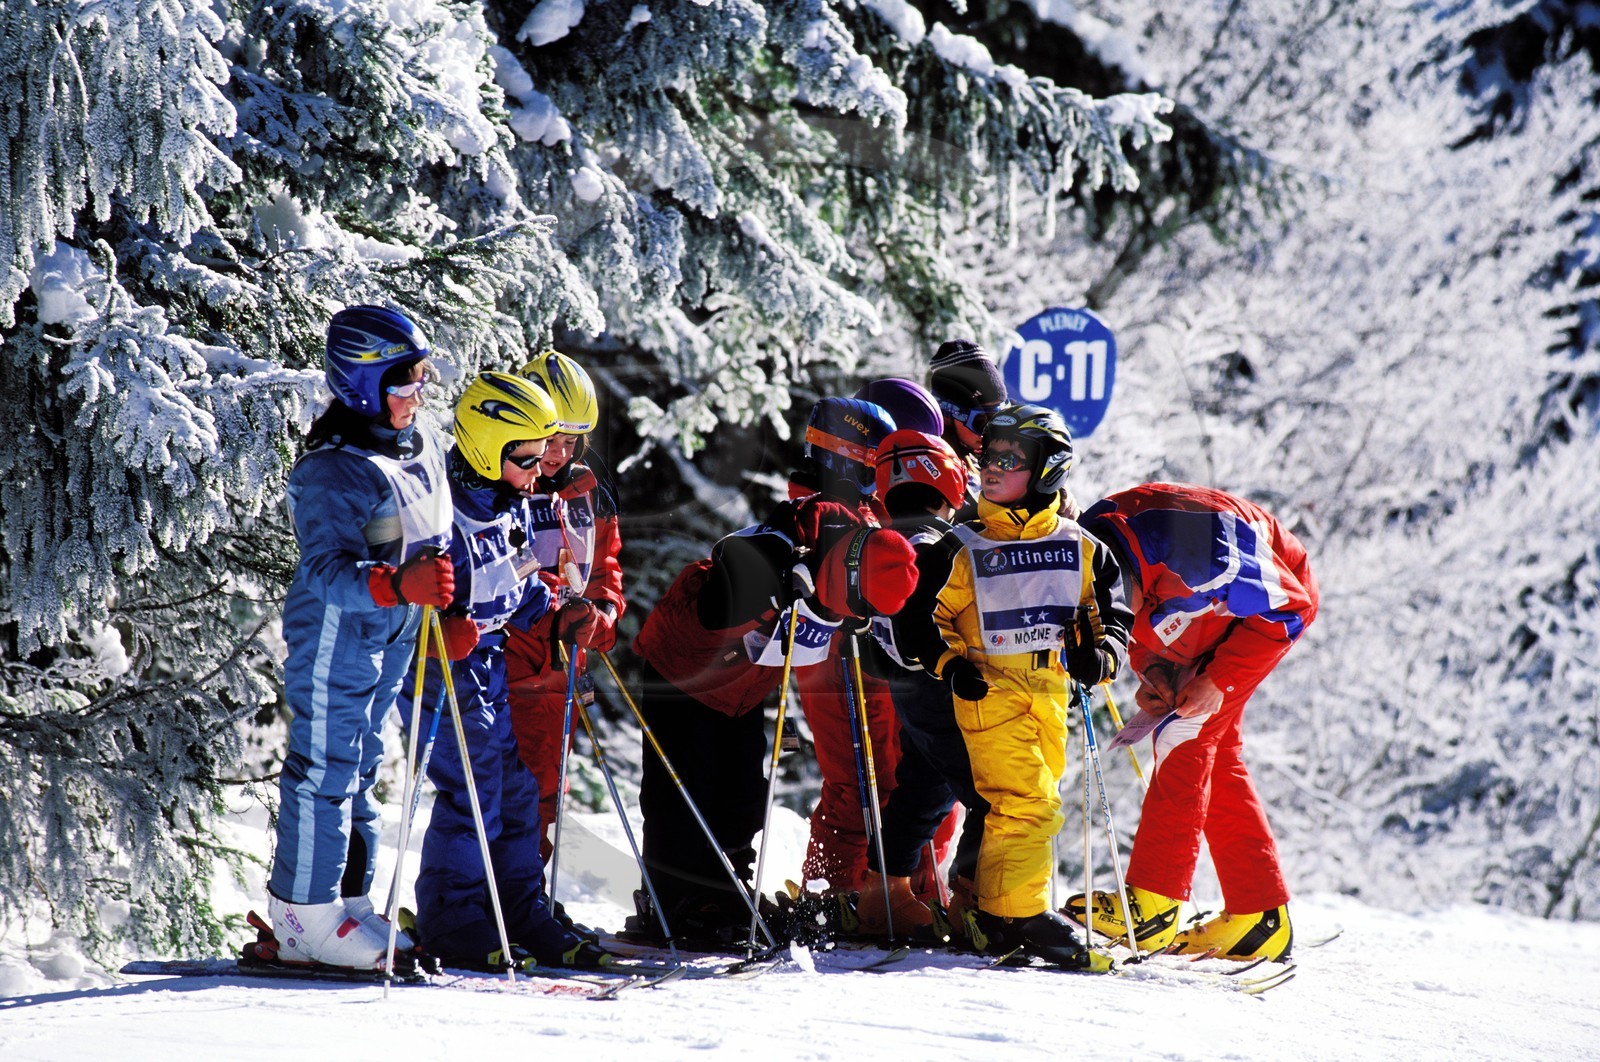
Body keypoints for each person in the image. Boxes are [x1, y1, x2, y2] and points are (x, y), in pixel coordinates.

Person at [628, 485, 918, 946]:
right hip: (684, 672)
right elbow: (725, 573)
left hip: (743, 686)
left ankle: (726, 890)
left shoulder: (850, 546)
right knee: (683, 791)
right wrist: (776, 592)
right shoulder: (760, 564)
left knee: (742, 793)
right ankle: (675, 901)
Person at [912, 403, 1131, 969]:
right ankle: (1020, 914)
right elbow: (918, 618)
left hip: (1049, 690)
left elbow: (1110, 615)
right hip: (990, 689)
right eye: (986, 455)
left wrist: (1099, 655)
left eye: (1008, 457)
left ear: (1047, 468)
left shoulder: (1081, 546)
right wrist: (949, 664)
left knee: (1035, 798)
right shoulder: (964, 545)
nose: (990, 466)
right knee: (1025, 801)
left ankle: (988, 911)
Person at [268, 305, 453, 969]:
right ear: (360, 383)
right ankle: (303, 912)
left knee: (365, 763)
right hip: (339, 631)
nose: (416, 395)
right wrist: (400, 585)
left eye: (421, 379)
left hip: (395, 628)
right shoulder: (333, 468)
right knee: (327, 764)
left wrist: (437, 592)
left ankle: (348, 904)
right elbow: (324, 569)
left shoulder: (416, 443)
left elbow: (429, 532)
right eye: (402, 383)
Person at [407, 371, 610, 970]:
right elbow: (395, 599)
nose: (537, 471)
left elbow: (518, 583)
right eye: (524, 459)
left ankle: (519, 909)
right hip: (443, 671)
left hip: (487, 663)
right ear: (483, 448)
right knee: (473, 793)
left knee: (517, 787)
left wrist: (558, 613)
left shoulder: (509, 505)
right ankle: (456, 919)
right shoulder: (438, 511)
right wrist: (437, 631)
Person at [1069, 483, 1319, 961]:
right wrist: (1155, 669)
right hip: (1205, 614)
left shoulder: (1198, 545)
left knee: (1184, 732)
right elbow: (1139, 625)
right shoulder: (1090, 558)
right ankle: (1259, 916)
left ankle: (1154, 904)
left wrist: (1219, 680)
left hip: (1269, 604)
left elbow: (1291, 606)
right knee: (1214, 750)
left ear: (1135, 586)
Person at [854, 429, 989, 941]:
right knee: (987, 795)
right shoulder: (938, 546)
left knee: (922, 791)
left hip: (907, 689)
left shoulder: (882, 542)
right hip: (943, 688)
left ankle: (882, 892)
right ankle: (972, 899)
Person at [502, 351, 625, 872]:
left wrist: (603, 613)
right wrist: (555, 612)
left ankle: (528, 893)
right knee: (509, 784)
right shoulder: (506, 487)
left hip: (563, 666)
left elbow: (606, 565)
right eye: (550, 438)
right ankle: (492, 897)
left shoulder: (587, 491)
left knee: (549, 784)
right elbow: (504, 573)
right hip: (513, 665)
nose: (557, 453)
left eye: (570, 442)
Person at [785, 397, 907, 897]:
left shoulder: (865, 509)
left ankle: (884, 891)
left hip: (867, 660)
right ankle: (832, 892)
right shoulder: (818, 513)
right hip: (836, 660)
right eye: (872, 465)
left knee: (888, 777)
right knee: (858, 781)